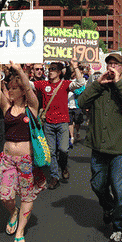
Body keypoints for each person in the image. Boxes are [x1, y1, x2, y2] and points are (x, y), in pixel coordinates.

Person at [78, 53, 122, 242]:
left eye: (116, 64)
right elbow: (81, 102)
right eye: (109, 64)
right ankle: (109, 207)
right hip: (99, 147)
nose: (112, 67)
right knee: (97, 184)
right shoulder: (99, 85)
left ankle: (119, 230)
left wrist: (118, 83)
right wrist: (98, 84)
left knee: (121, 190)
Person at [0, 61, 46, 242]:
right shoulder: (7, 108)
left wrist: (20, 70)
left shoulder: (32, 108)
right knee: (5, 195)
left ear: (21, 91)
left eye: (13, 88)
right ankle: (13, 213)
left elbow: (29, 88)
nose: (9, 91)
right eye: (9, 88)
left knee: (27, 196)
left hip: (27, 161)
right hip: (8, 160)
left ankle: (20, 231)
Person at [32, 61, 85, 189]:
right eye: (49, 69)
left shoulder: (65, 84)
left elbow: (80, 83)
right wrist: (23, 69)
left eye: (54, 69)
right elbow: (28, 85)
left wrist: (76, 67)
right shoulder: (43, 84)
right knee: (51, 152)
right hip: (49, 123)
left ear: (60, 72)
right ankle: (55, 176)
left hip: (62, 123)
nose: (50, 71)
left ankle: (63, 165)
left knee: (63, 149)